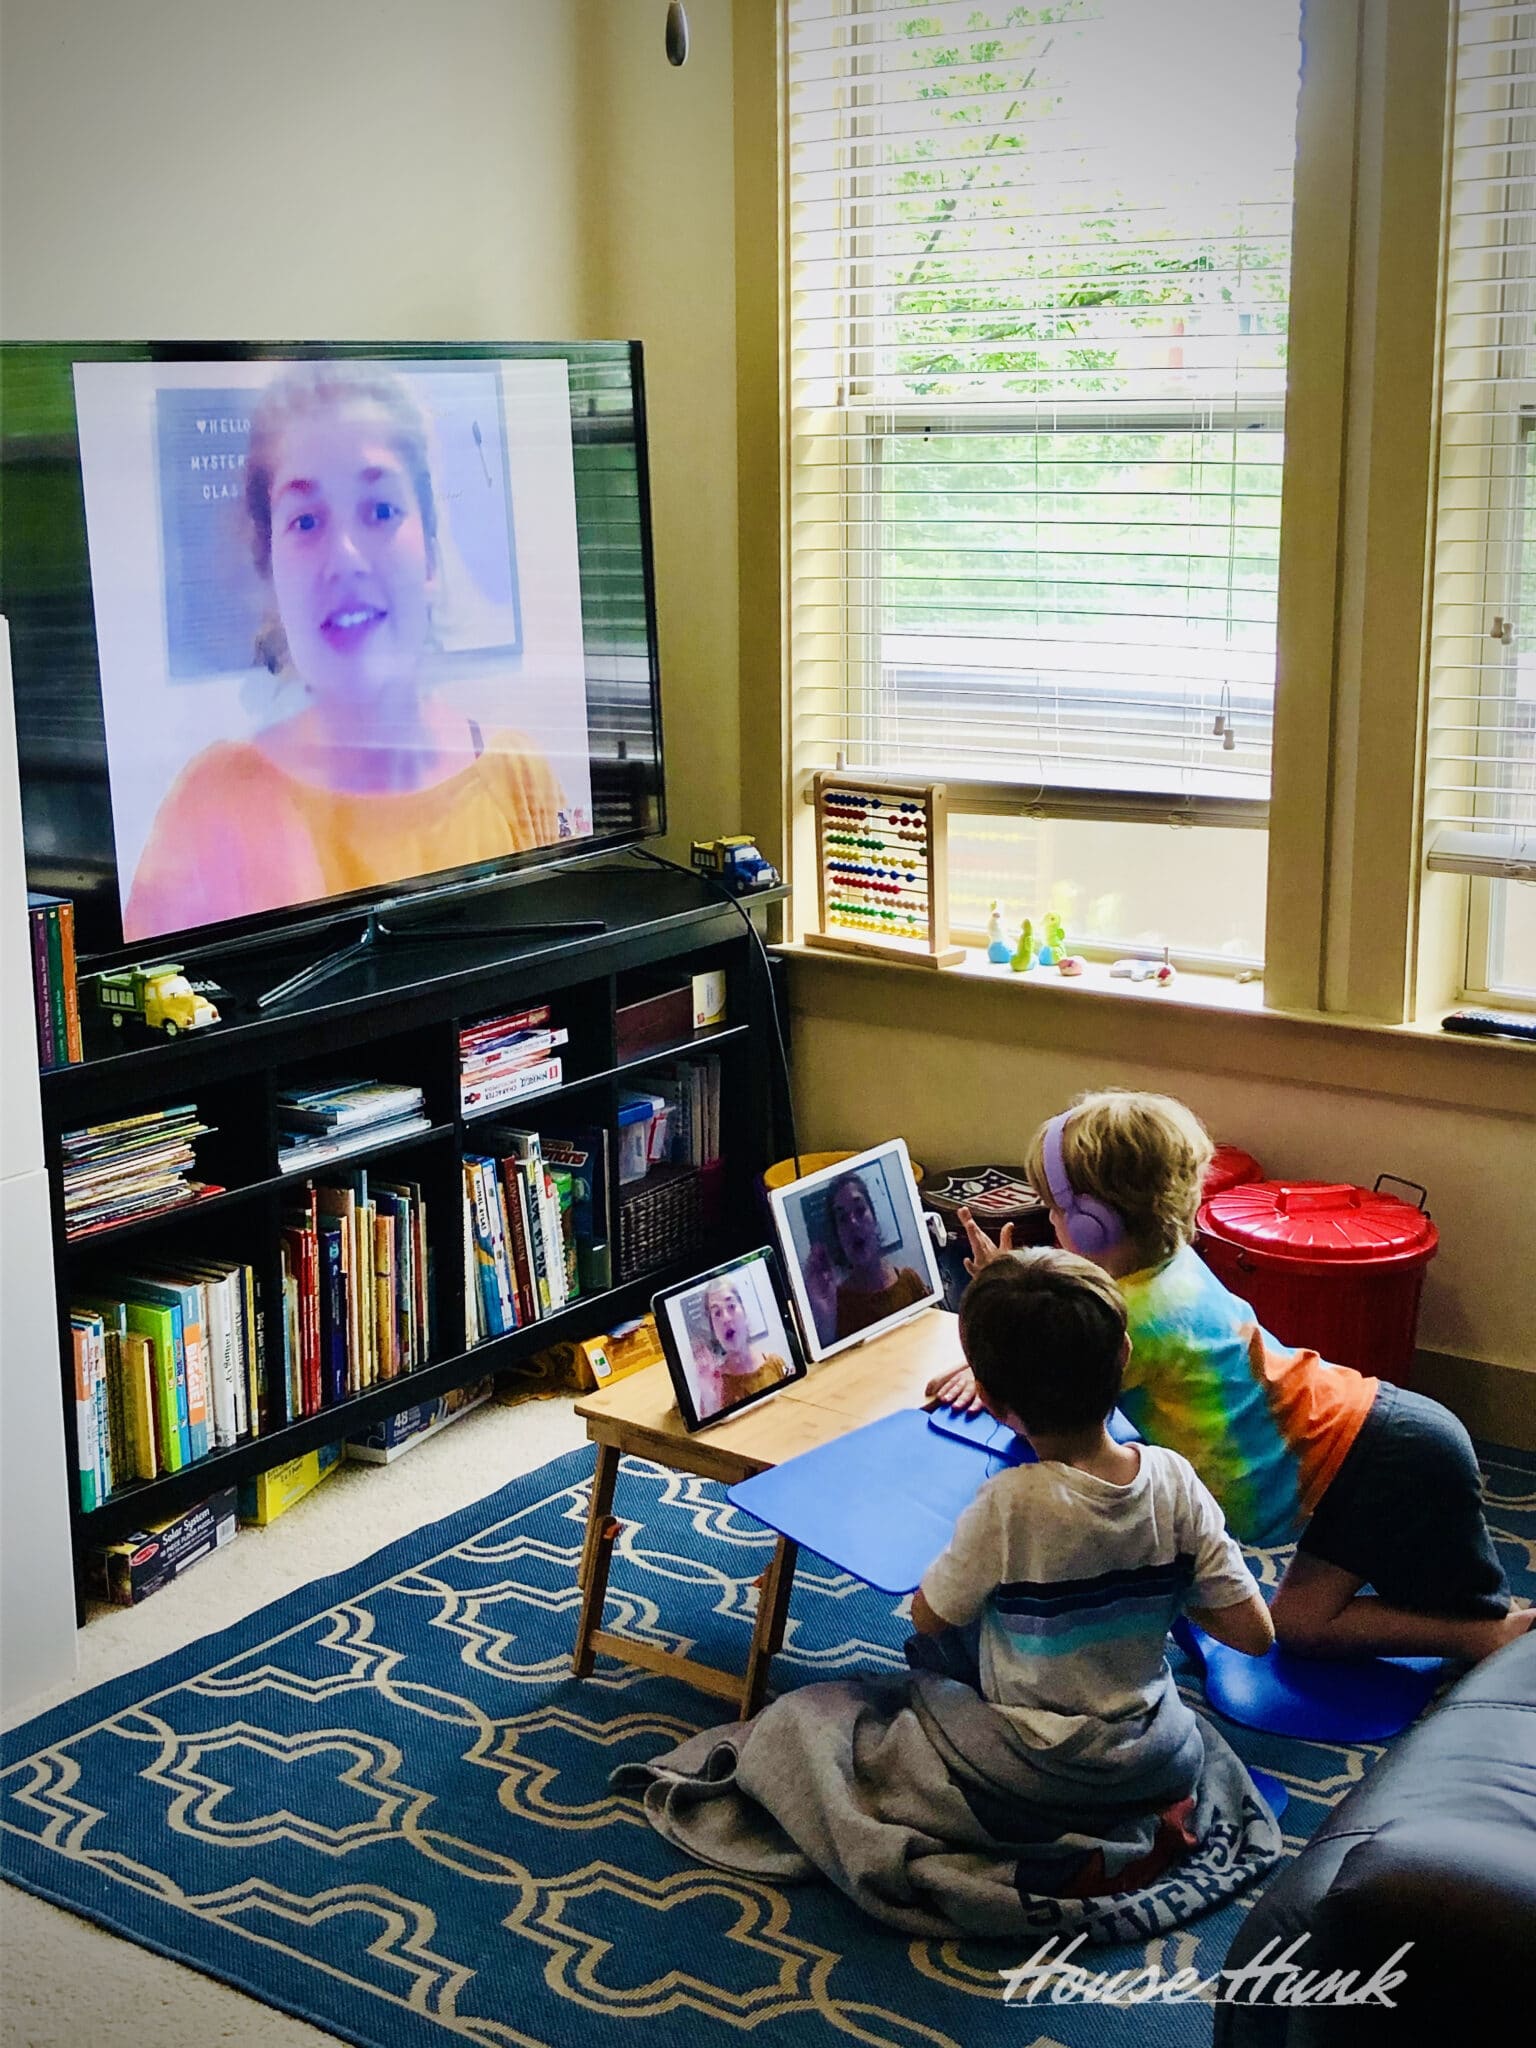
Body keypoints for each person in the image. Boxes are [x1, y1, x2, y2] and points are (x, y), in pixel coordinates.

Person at [929, 1090, 1533, 1666]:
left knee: (1303, 1626)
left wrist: (995, 1328)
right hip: (1377, 1439)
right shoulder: (1169, 1266)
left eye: (1057, 1209)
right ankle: (1488, 1628)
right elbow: (1077, 1323)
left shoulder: (1136, 1321)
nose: (1052, 1220)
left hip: (1380, 1464)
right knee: (1397, 1597)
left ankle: (1483, 1637)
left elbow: (1040, 1386)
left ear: (1093, 1224)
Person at [123, 362, 568, 941]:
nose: (346, 558)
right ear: (270, 572)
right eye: (306, 521)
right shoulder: (210, 806)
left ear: (431, 554)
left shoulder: (518, 775)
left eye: (380, 510)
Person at [911, 1247, 1272, 1813]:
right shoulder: (1174, 1479)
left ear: (989, 1399)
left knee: (916, 1678)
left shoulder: (1008, 1504)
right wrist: (1152, 1580)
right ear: (1123, 1354)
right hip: (1157, 1758)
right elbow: (1255, 1634)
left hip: (1035, 1764)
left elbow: (928, 1618)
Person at [801, 1169, 928, 1347]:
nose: (853, 1222)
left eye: (860, 1210)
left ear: (873, 1217)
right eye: (842, 1218)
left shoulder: (909, 1281)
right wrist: (825, 1321)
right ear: (838, 1235)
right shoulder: (837, 1306)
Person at [690, 1275, 792, 1420]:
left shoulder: (775, 1363)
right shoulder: (716, 1385)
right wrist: (707, 1390)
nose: (726, 1318)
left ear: (744, 1311)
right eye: (717, 1313)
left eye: (731, 1306)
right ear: (713, 1329)